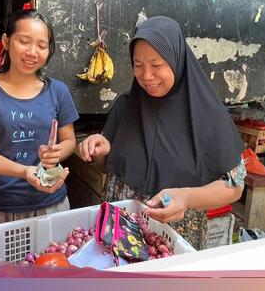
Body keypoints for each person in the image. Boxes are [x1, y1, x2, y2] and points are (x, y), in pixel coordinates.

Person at [78, 16, 245, 250]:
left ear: (176, 59)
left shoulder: (208, 116)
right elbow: (109, 166)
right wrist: (99, 150)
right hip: (120, 231)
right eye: (138, 65)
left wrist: (186, 198)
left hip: (172, 238)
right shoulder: (126, 107)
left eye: (157, 65)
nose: (146, 76)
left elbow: (234, 186)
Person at [0, 9, 79, 225]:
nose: (32, 52)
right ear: (6, 41)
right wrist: (25, 172)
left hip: (52, 205)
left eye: (42, 46)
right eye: (24, 41)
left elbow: (69, 141)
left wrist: (56, 153)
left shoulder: (58, 91)